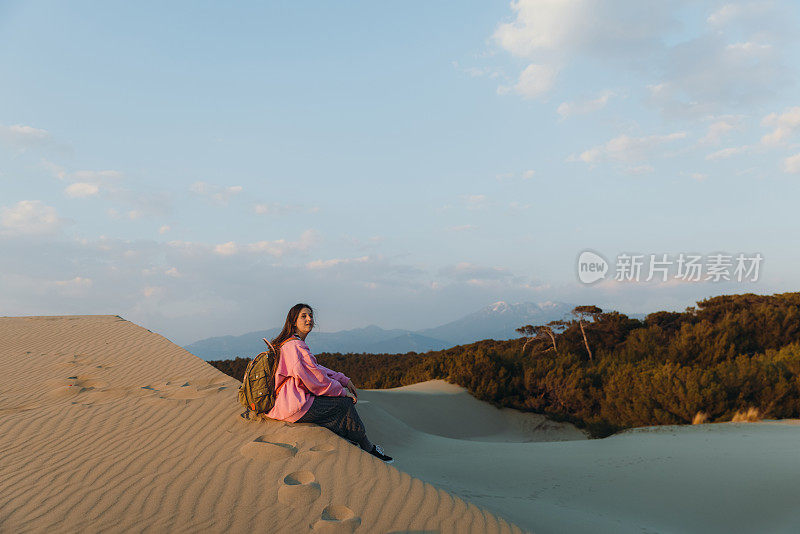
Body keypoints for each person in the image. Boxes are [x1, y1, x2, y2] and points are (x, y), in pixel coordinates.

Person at [266, 303, 393, 463]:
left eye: (311, 315)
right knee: (344, 404)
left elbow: (316, 368)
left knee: (335, 408)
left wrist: (343, 379)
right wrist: (341, 391)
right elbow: (317, 380)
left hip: (289, 405)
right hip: (294, 407)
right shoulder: (294, 346)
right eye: (303, 316)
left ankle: (352, 441)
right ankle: (368, 448)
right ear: (293, 322)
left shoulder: (291, 344)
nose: (309, 319)